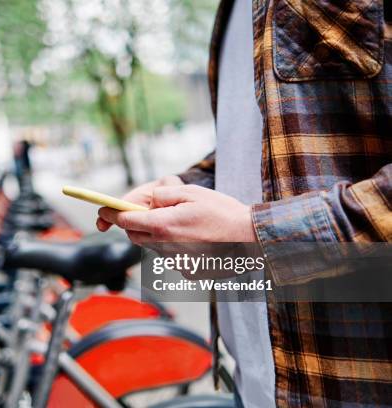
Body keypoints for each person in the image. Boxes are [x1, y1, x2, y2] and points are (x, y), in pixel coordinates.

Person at [97, 0, 392, 406]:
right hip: (253, 382)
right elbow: (265, 147)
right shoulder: (233, 12)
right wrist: (181, 190)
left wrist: (252, 232)